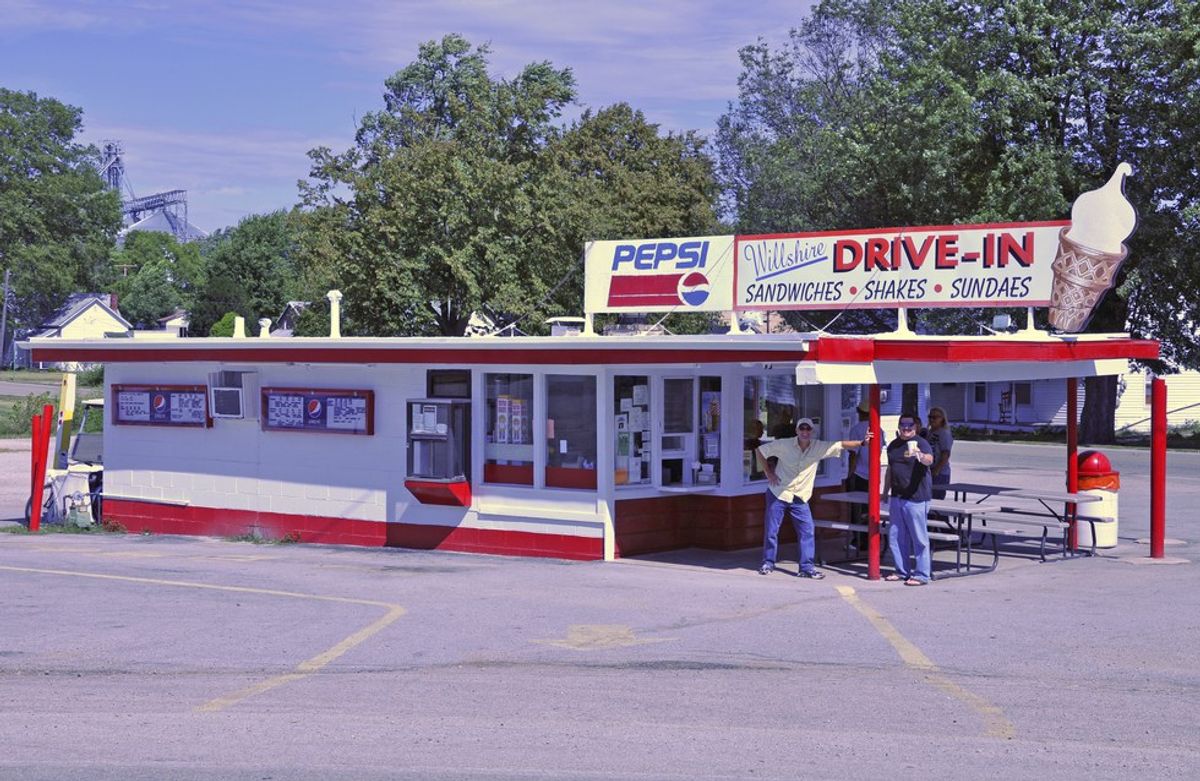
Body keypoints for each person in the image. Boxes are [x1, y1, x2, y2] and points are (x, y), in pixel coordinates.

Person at [757, 417, 873, 580]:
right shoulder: (784, 444)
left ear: (812, 431)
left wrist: (862, 443)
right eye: (802, 429)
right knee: (771, 530)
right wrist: (769, 472)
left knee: (807, 531)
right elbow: (760, 451)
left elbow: (841, 444)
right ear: (797, 431)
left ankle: (806, 567)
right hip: (778, 493)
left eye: (808, 429)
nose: (805, 432)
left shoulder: (819, 447)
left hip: (800, 496)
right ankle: (767, 563)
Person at [881, 414, 935, 586]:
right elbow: (890, 469)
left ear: (915, 427)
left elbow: (929, 460)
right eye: (903, 425)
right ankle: (902, 571)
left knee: (919, 538)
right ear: (898, 426)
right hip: (897, 497)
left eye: (910, 425)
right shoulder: (893, 446)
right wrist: (885, 491)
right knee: (896, 537)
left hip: (917, 499)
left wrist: (920, 455)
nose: (906, 428)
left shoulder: (921, 442)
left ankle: (922, 575)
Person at [925, 406, 954, 500]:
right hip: (929, 470)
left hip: (940, 473)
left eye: (935, 417)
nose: (932, 419)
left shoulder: (944, 433)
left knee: (936, 499)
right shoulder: (930, 432)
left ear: (942, 419)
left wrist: (937, 469)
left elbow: (946, 453)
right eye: (930, 417)